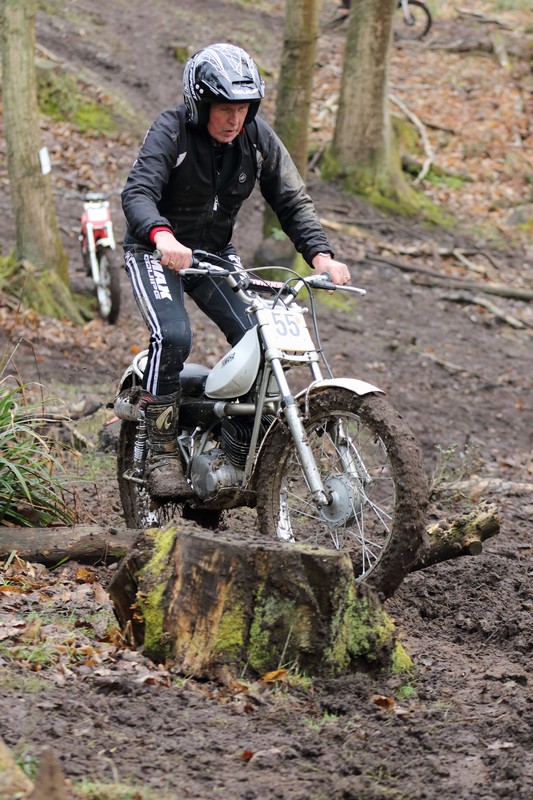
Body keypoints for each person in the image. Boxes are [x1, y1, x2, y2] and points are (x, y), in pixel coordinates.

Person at [121, 42, 350, 498]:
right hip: (155, 249)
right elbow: (138, 192)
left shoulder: (256, 138)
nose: (235, 119)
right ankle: (161, 452)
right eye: (225, 108)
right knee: (174, 335)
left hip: (214, 254)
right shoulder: (171, 131)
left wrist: (321, 255)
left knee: (260, 343)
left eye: (243, 108)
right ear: (200, 104)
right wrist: (162, 237)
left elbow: (291, 200)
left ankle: (232, 452)